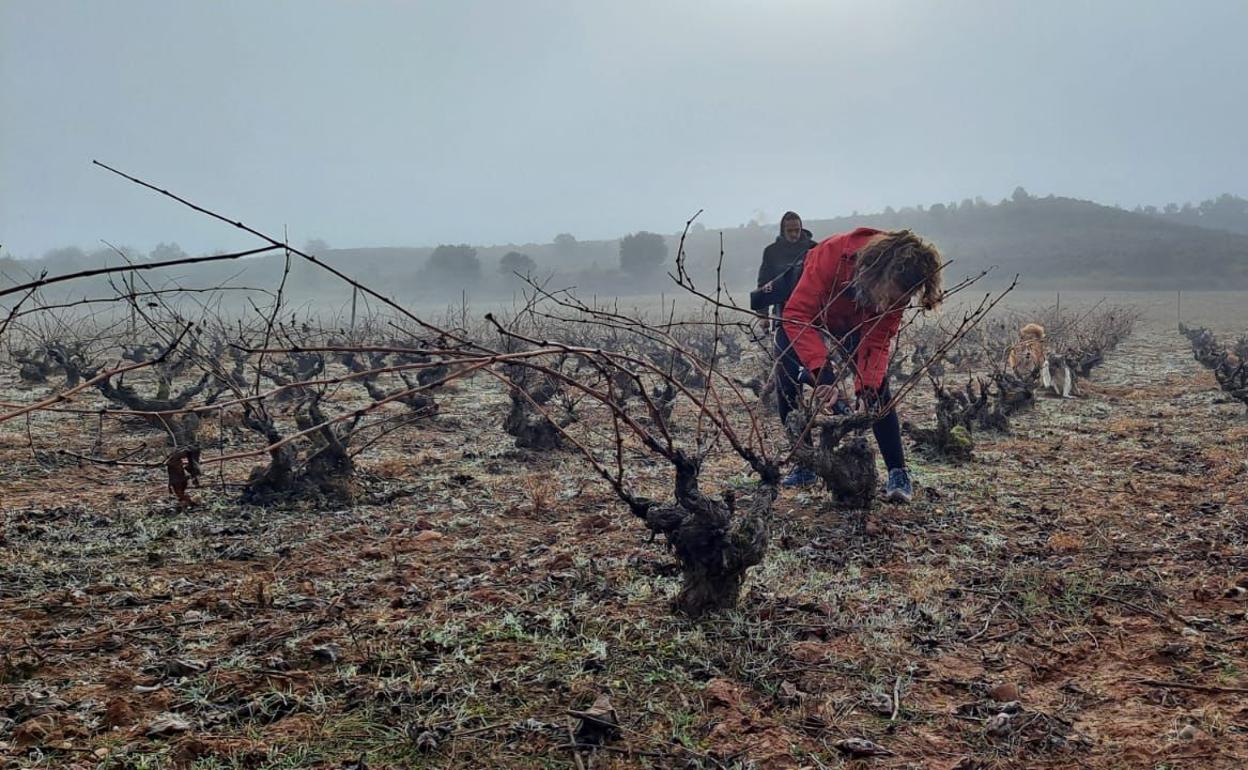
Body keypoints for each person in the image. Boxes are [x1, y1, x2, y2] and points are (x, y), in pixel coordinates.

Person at [781, 228, 943, 501]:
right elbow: (797, 314)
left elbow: (876, 342)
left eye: (901, 299)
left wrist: (866, 390)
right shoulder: (832, 255)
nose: (893, 303)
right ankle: (805, 465)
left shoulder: (899, 291)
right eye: (891, 296)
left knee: (878, 390)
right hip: (806, 313)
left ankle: (898, 472)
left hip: (855, 320)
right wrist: (823, 376)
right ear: (880, 274)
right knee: (786, 377)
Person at [755, 212, 817, 454]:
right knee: (786, 382)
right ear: (782, 230)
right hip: (784, 320)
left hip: (814, 322)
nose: (793, 234)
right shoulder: (771, 252)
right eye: (789, 230)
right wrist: (763, 314)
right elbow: (764, 283)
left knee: (819, 375)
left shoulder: (813, 249)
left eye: (797, 230)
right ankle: (801, 446)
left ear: (802, 228)